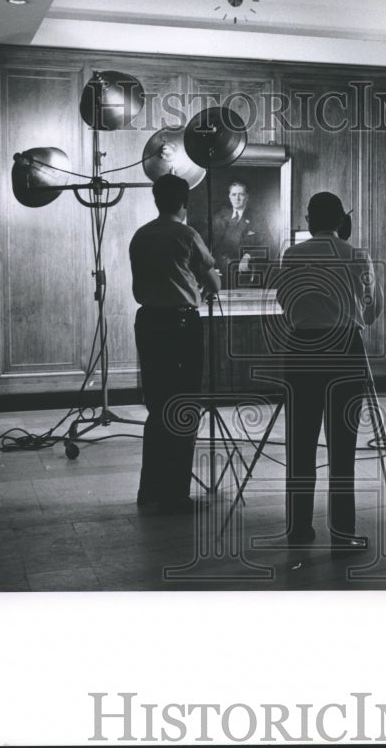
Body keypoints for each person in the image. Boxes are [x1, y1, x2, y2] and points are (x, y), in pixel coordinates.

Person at [271, 191, 384, 553]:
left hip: (302, 349)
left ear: (309, 221)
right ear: (341, 222)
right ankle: (343, 533)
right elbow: (372, 311)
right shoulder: (357, 255)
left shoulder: (291, 255)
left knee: (300, 443)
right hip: (345, 350)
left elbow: (285, 301)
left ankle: (298, 528)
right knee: (342, 446)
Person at [129, 174, 221, 515]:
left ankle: (149, 489)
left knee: (158, 407)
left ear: (156, 200)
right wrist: (204, 285)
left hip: (148, 322)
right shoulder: (186, 235)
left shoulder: (141, 235)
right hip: (180, 325)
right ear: (185, 203)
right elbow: (213, 283)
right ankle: (175, 494)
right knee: (184, 407)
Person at [210, 180, 270, 288]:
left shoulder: (257, 218)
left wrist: (248, 255)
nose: (237, 198)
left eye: (241, 194)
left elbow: (269, 244)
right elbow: (211, 245)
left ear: (247, 197)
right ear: (229, 197)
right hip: (221, 275)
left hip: (245, 277)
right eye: (233, 194)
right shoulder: (220, 217)